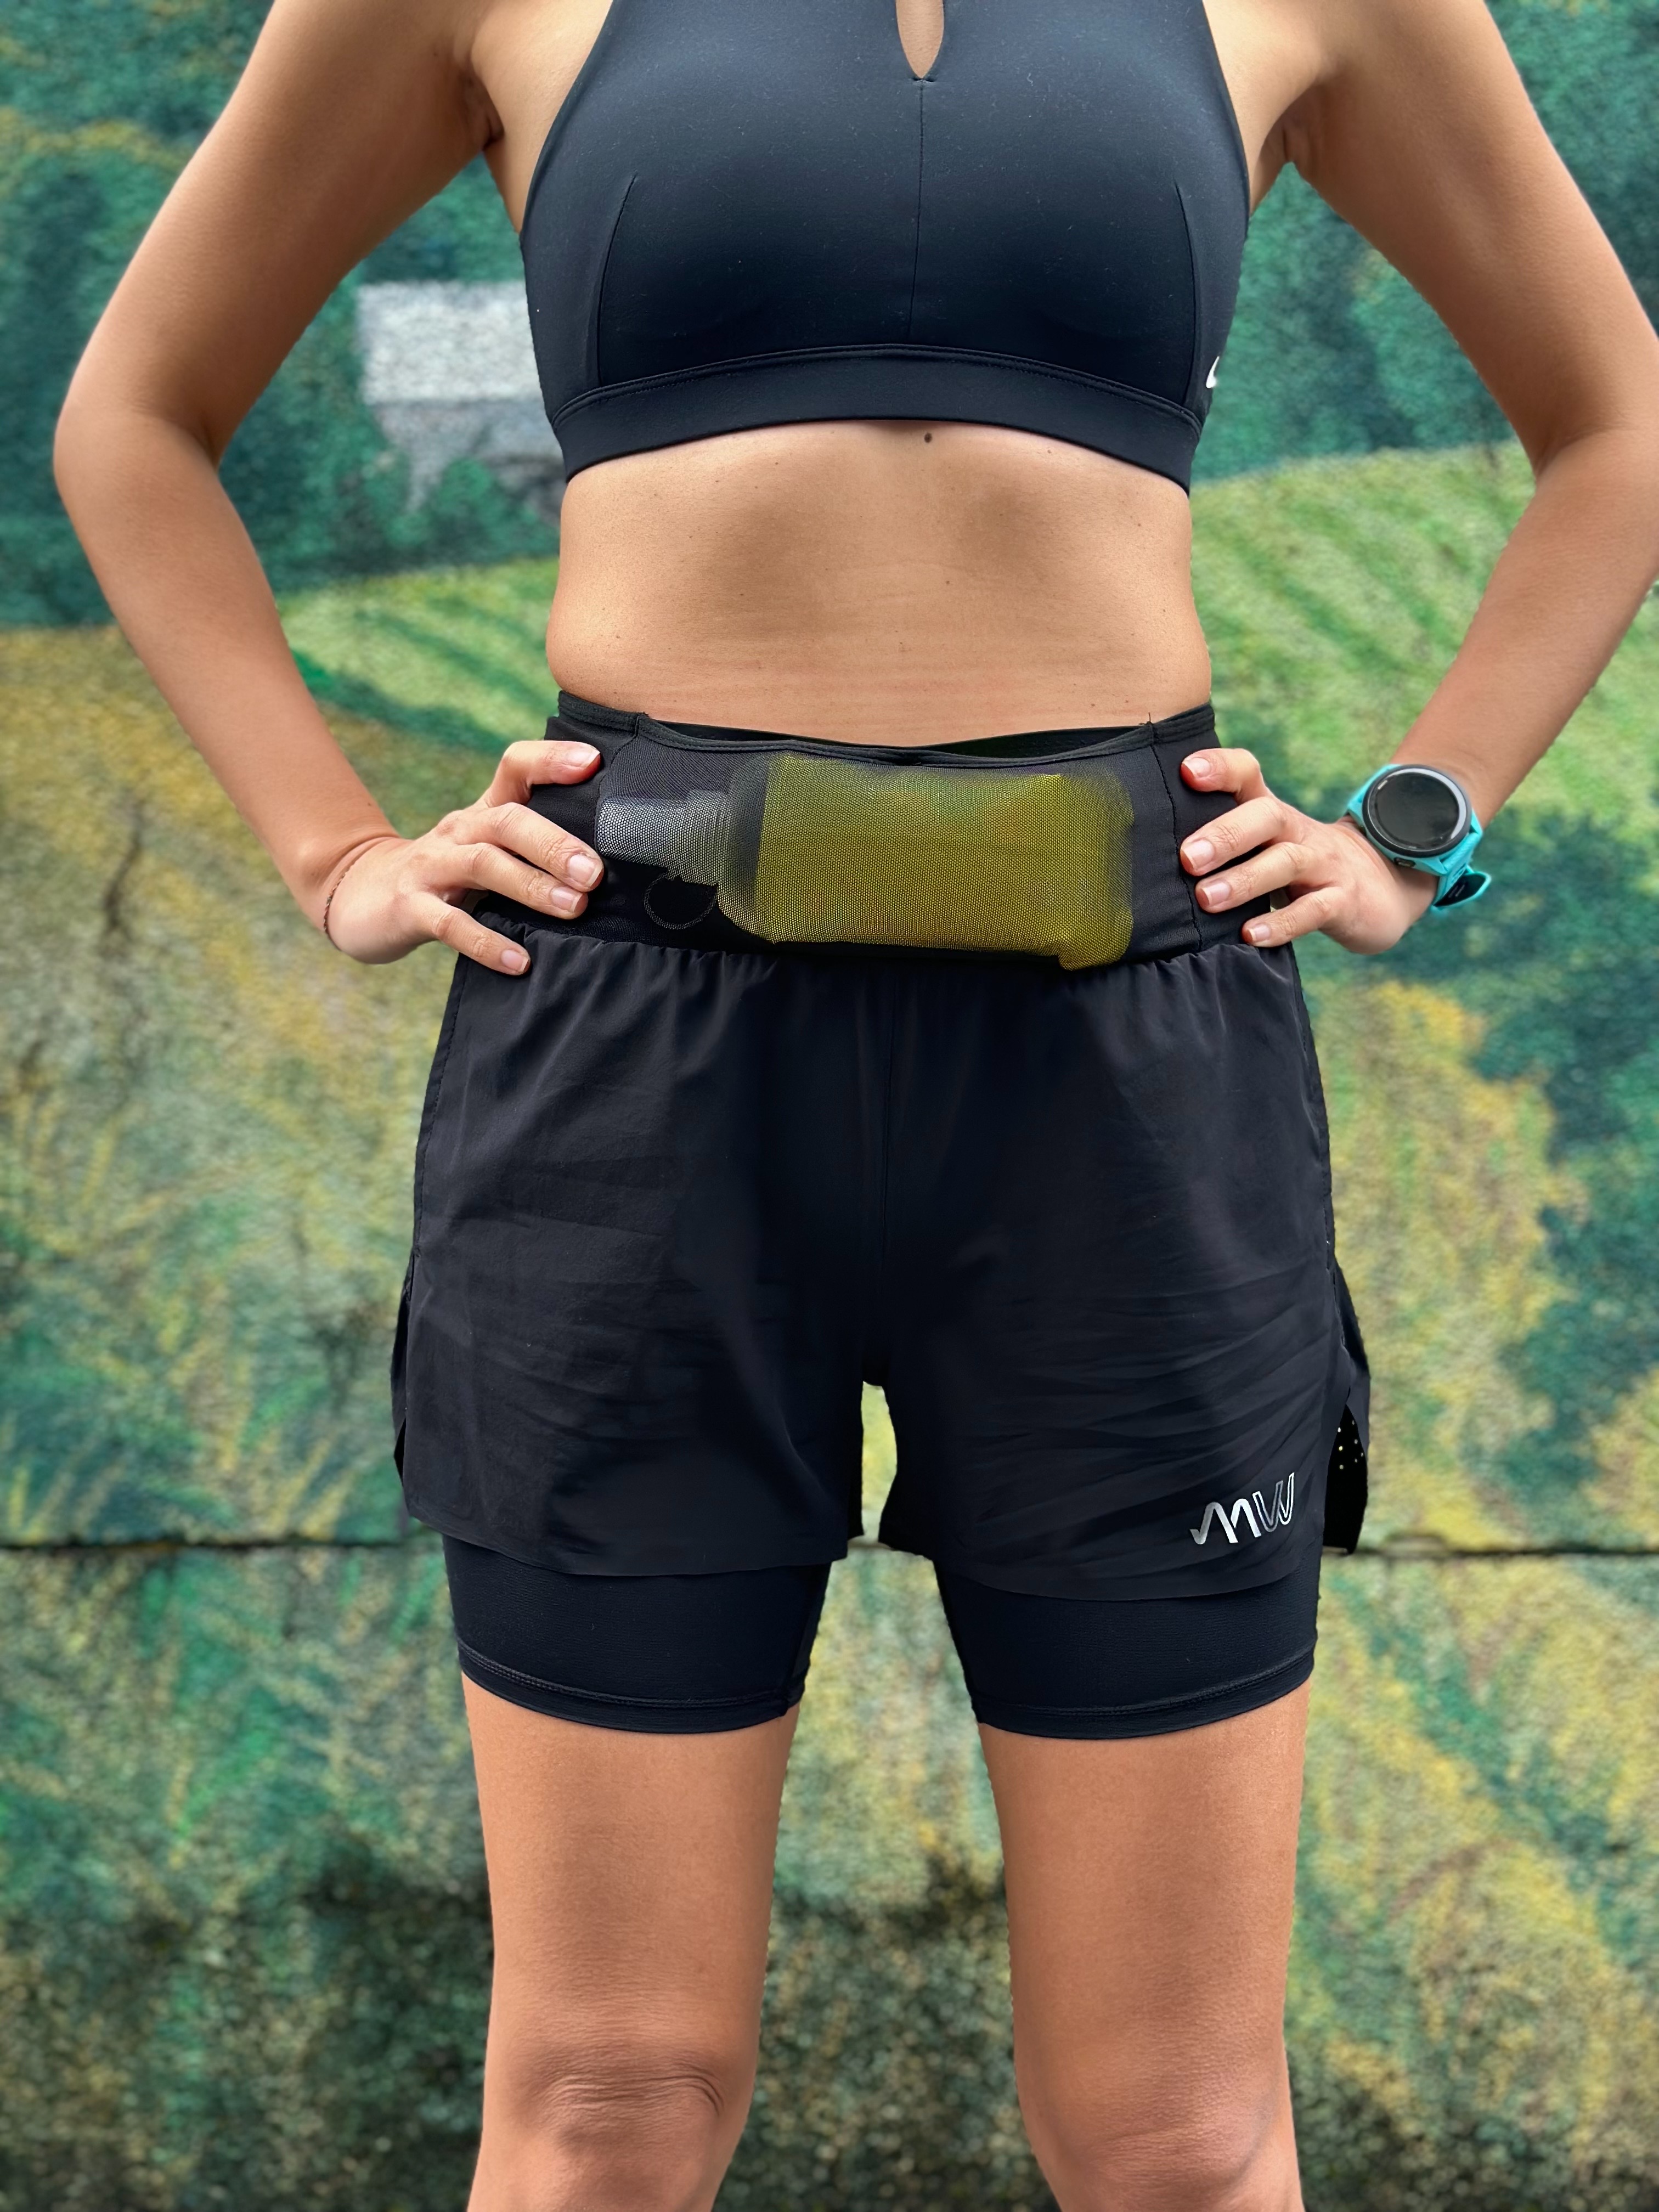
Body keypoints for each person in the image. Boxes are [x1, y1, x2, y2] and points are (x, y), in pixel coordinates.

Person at [54, 0, 1659, 2198]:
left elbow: (1618, 418)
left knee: (1179, 2131)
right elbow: (134, 417)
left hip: (1127, 1076)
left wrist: (1416, 824)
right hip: (634, 1069)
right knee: (609, 2093)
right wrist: (339, 851)